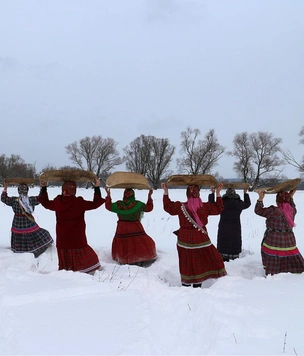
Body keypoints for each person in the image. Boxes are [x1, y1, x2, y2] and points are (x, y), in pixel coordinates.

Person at [161, 182, 227, 287]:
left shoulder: (180, 206)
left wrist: (166, 192)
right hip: (200, 238)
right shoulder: (205, 207)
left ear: (187, 194)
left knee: (185, 261)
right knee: (199, 260)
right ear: (198, 194)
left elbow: (168, 207)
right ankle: (198, 283)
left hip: (184, 239)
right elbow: (219, 208)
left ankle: (185, 284)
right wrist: (218, 193)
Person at [38, 179, 105, 274]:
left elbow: (45, 202)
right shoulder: (79, 202)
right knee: (85, 255)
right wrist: (97, 187)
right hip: (77, 237)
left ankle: (67, 274)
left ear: (63, 189)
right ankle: (83, 272)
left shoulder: (58, 202)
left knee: (66, 260)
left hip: (62, 238)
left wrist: (44, 188)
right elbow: (95, 204)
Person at [255, 188, 304, 276]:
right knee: (288, 252)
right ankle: (291, 269)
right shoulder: (292, 211)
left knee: (274, 253)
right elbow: (292, 205)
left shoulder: (273, 211)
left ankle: (274, 270)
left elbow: (258, 211)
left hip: (274, 239)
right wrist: (290, 197)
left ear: (277, 200)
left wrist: (260, 199)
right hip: (289, 239)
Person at [104, 187, 157, 267]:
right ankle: (139, 258)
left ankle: (124, 258)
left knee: (124, 243)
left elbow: (108, 206)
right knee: (138, 241)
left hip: (122, 227)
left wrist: (108, 195)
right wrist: (149, 197)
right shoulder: (138, 204)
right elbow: (149, 208)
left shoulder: (119, 205)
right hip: (135, 226)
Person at [1, 180, 53, 257]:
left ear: (18, 191)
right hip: (28, 222)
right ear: (27, 191)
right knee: (33, 234)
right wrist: (42, 187)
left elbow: (3, 198)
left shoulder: (14, 200)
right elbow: (41, 198)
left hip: (17, 223)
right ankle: (33, 250)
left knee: (20, 235)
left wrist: (5, 187)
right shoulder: (31, 200)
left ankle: (20, 250)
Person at [211, 187, 251, 262]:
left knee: (223, 242)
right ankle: (234, 260)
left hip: (223, 227)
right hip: (236, 228)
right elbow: (248, 204)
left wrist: (213, 193)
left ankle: (223, 259)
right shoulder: (239, 203)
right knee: (234, 242)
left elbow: (212, 204)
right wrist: (245, 193)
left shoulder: (222, 203)